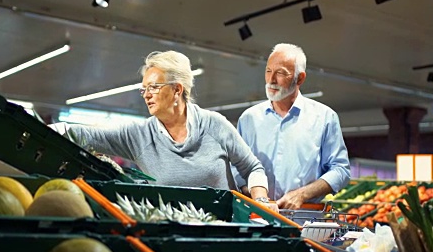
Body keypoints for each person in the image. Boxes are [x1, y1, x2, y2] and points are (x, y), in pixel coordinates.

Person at [57, 50, 276, 207]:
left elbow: (253, 168)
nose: (147, 95)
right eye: (144, 90)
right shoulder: (138, 135)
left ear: (177, 90)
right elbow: (86, 135)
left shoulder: (214, 124)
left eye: (153, 87)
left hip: (223, 229)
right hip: (171, 231)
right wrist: (37, 126)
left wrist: (262, 200)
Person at [234, 43, 351, 210]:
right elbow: (236, 170)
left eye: (280, 73)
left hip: (304, 218)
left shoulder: (324, 117)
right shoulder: (249, 119)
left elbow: (341, 171)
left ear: (300, 78)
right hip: (257, 216)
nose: (271, 80)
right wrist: (257, 196)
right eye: (268, 71)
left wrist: (302, 194)